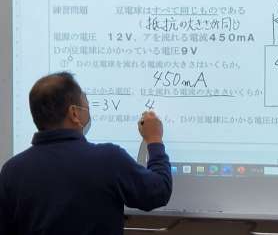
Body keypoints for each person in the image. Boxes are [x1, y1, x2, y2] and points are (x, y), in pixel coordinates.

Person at [0, 72, 172, 235]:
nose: (88, 109)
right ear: (74, 113)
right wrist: (154, 139)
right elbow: (159, 191)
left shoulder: (11, 171)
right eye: (86, 105)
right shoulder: (108, 159)